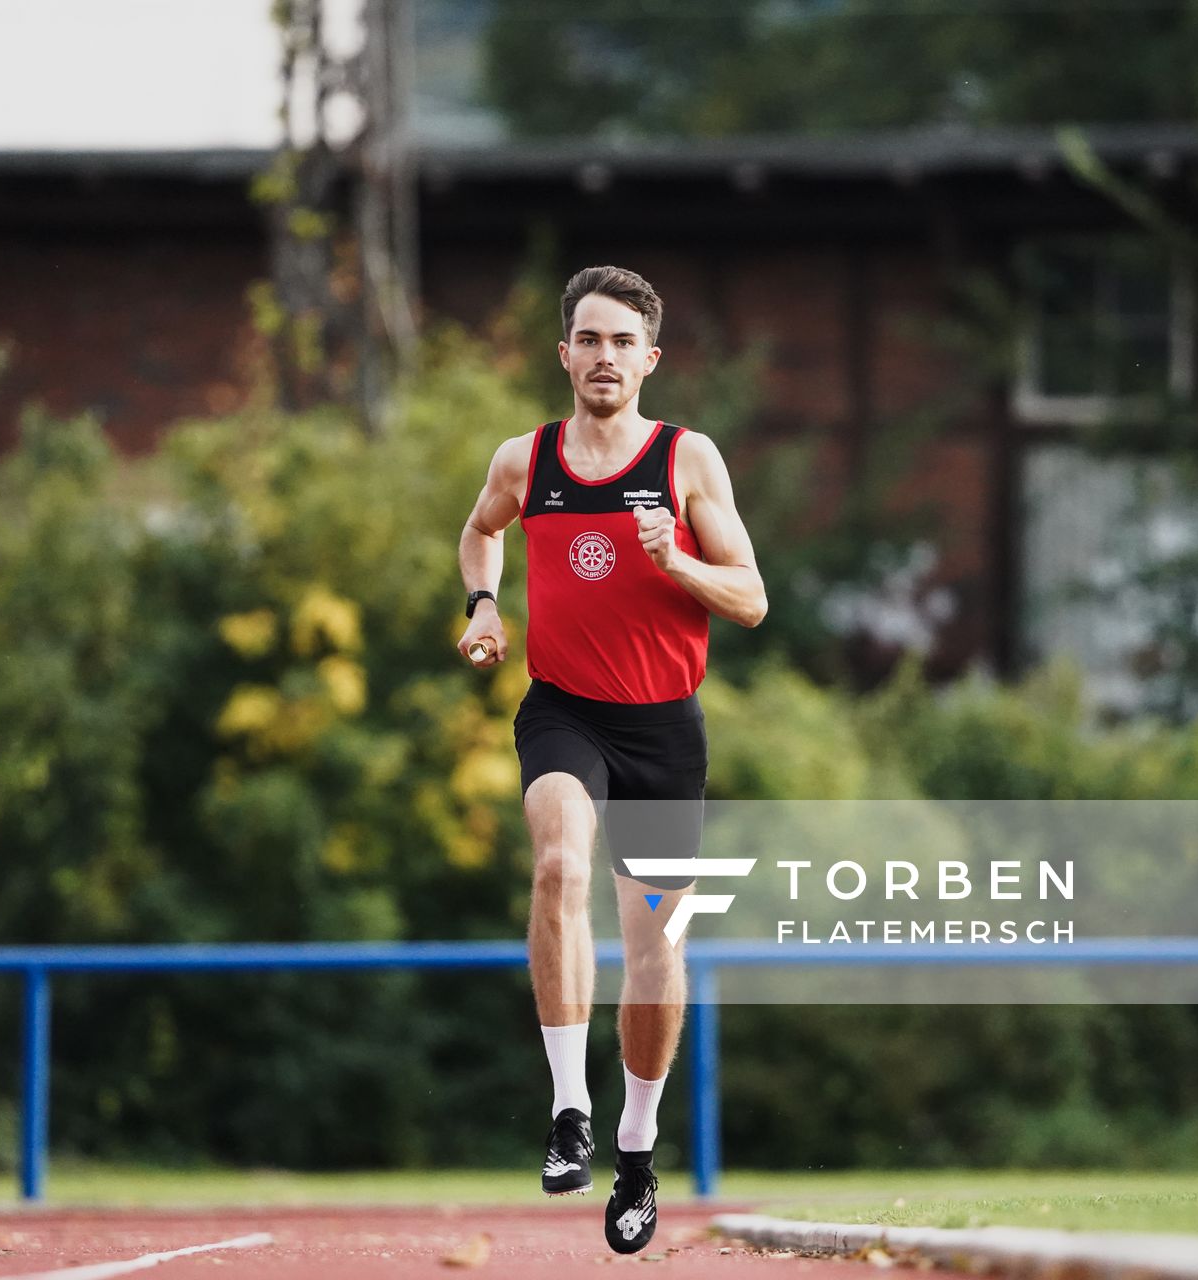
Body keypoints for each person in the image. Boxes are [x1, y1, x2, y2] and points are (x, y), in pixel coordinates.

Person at [454, 265, 766, 1255]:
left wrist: (673, 559)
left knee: (655, 950)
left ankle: (635, 1149)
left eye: (623, 343)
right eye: (589, 339)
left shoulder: (688, 459)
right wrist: (485, 605)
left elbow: (753, 596)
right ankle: (567, 1112)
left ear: (651, 360)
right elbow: (478, 531)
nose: (604, 357)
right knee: (556, 864)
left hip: (665, 730)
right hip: (564, 712)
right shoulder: (526, 458)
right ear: (564, 353)